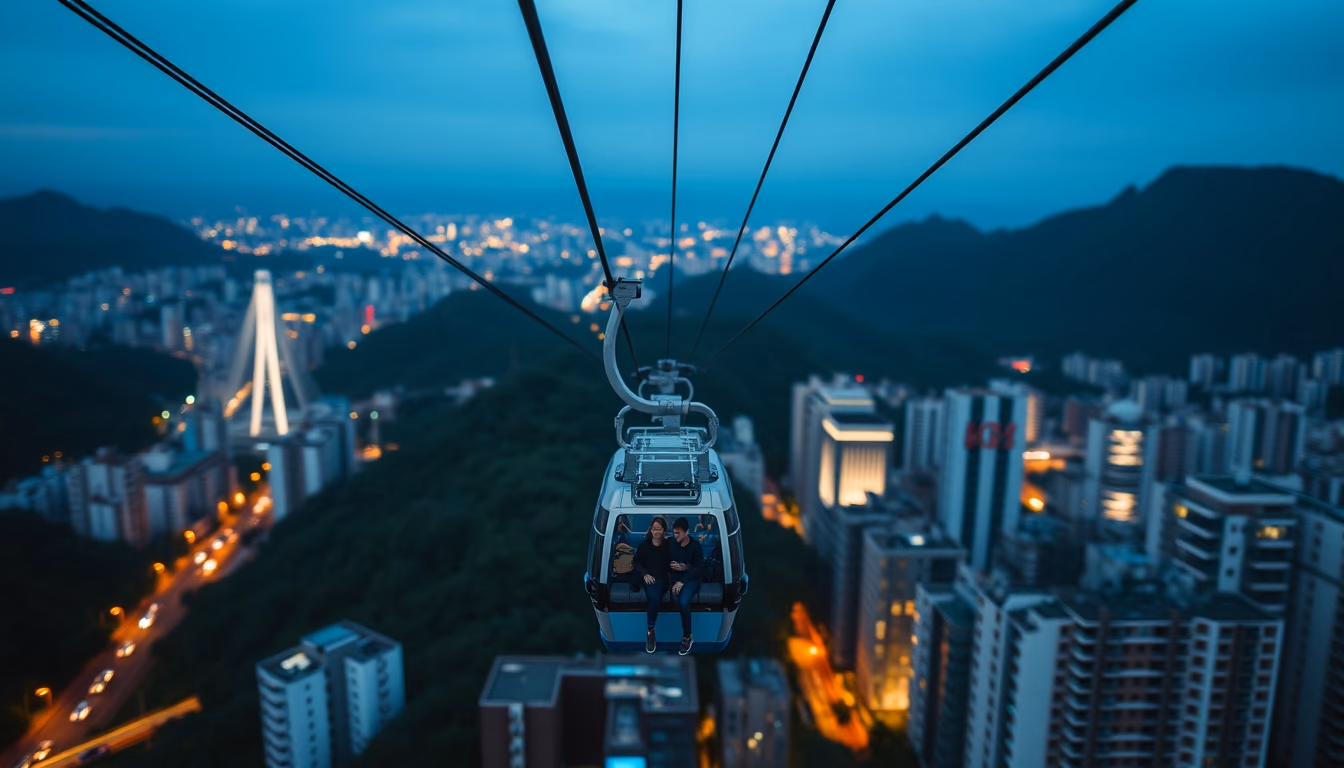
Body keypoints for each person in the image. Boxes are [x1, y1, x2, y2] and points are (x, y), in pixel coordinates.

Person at [632, 515, 671, 653]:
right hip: (649, 577)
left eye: (659, 529)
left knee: (657, 594)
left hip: (663, 578)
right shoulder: (645, 545)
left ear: (663, 531)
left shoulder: (668, 545)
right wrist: (644, 574)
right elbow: (636, 562)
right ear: (651, 530)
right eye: (654, 529)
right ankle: (650, 630)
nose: (656, 532)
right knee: (654, 598)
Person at [669, 516, 706, 655]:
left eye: (678, 533)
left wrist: (684, 572)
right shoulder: (672, 544)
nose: (675, 536)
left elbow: (700, 568)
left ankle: (687, 636)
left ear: (687, 532)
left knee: (683, 602)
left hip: (691, 579)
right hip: (673, 577)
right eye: (674, 533)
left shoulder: (695, 546)